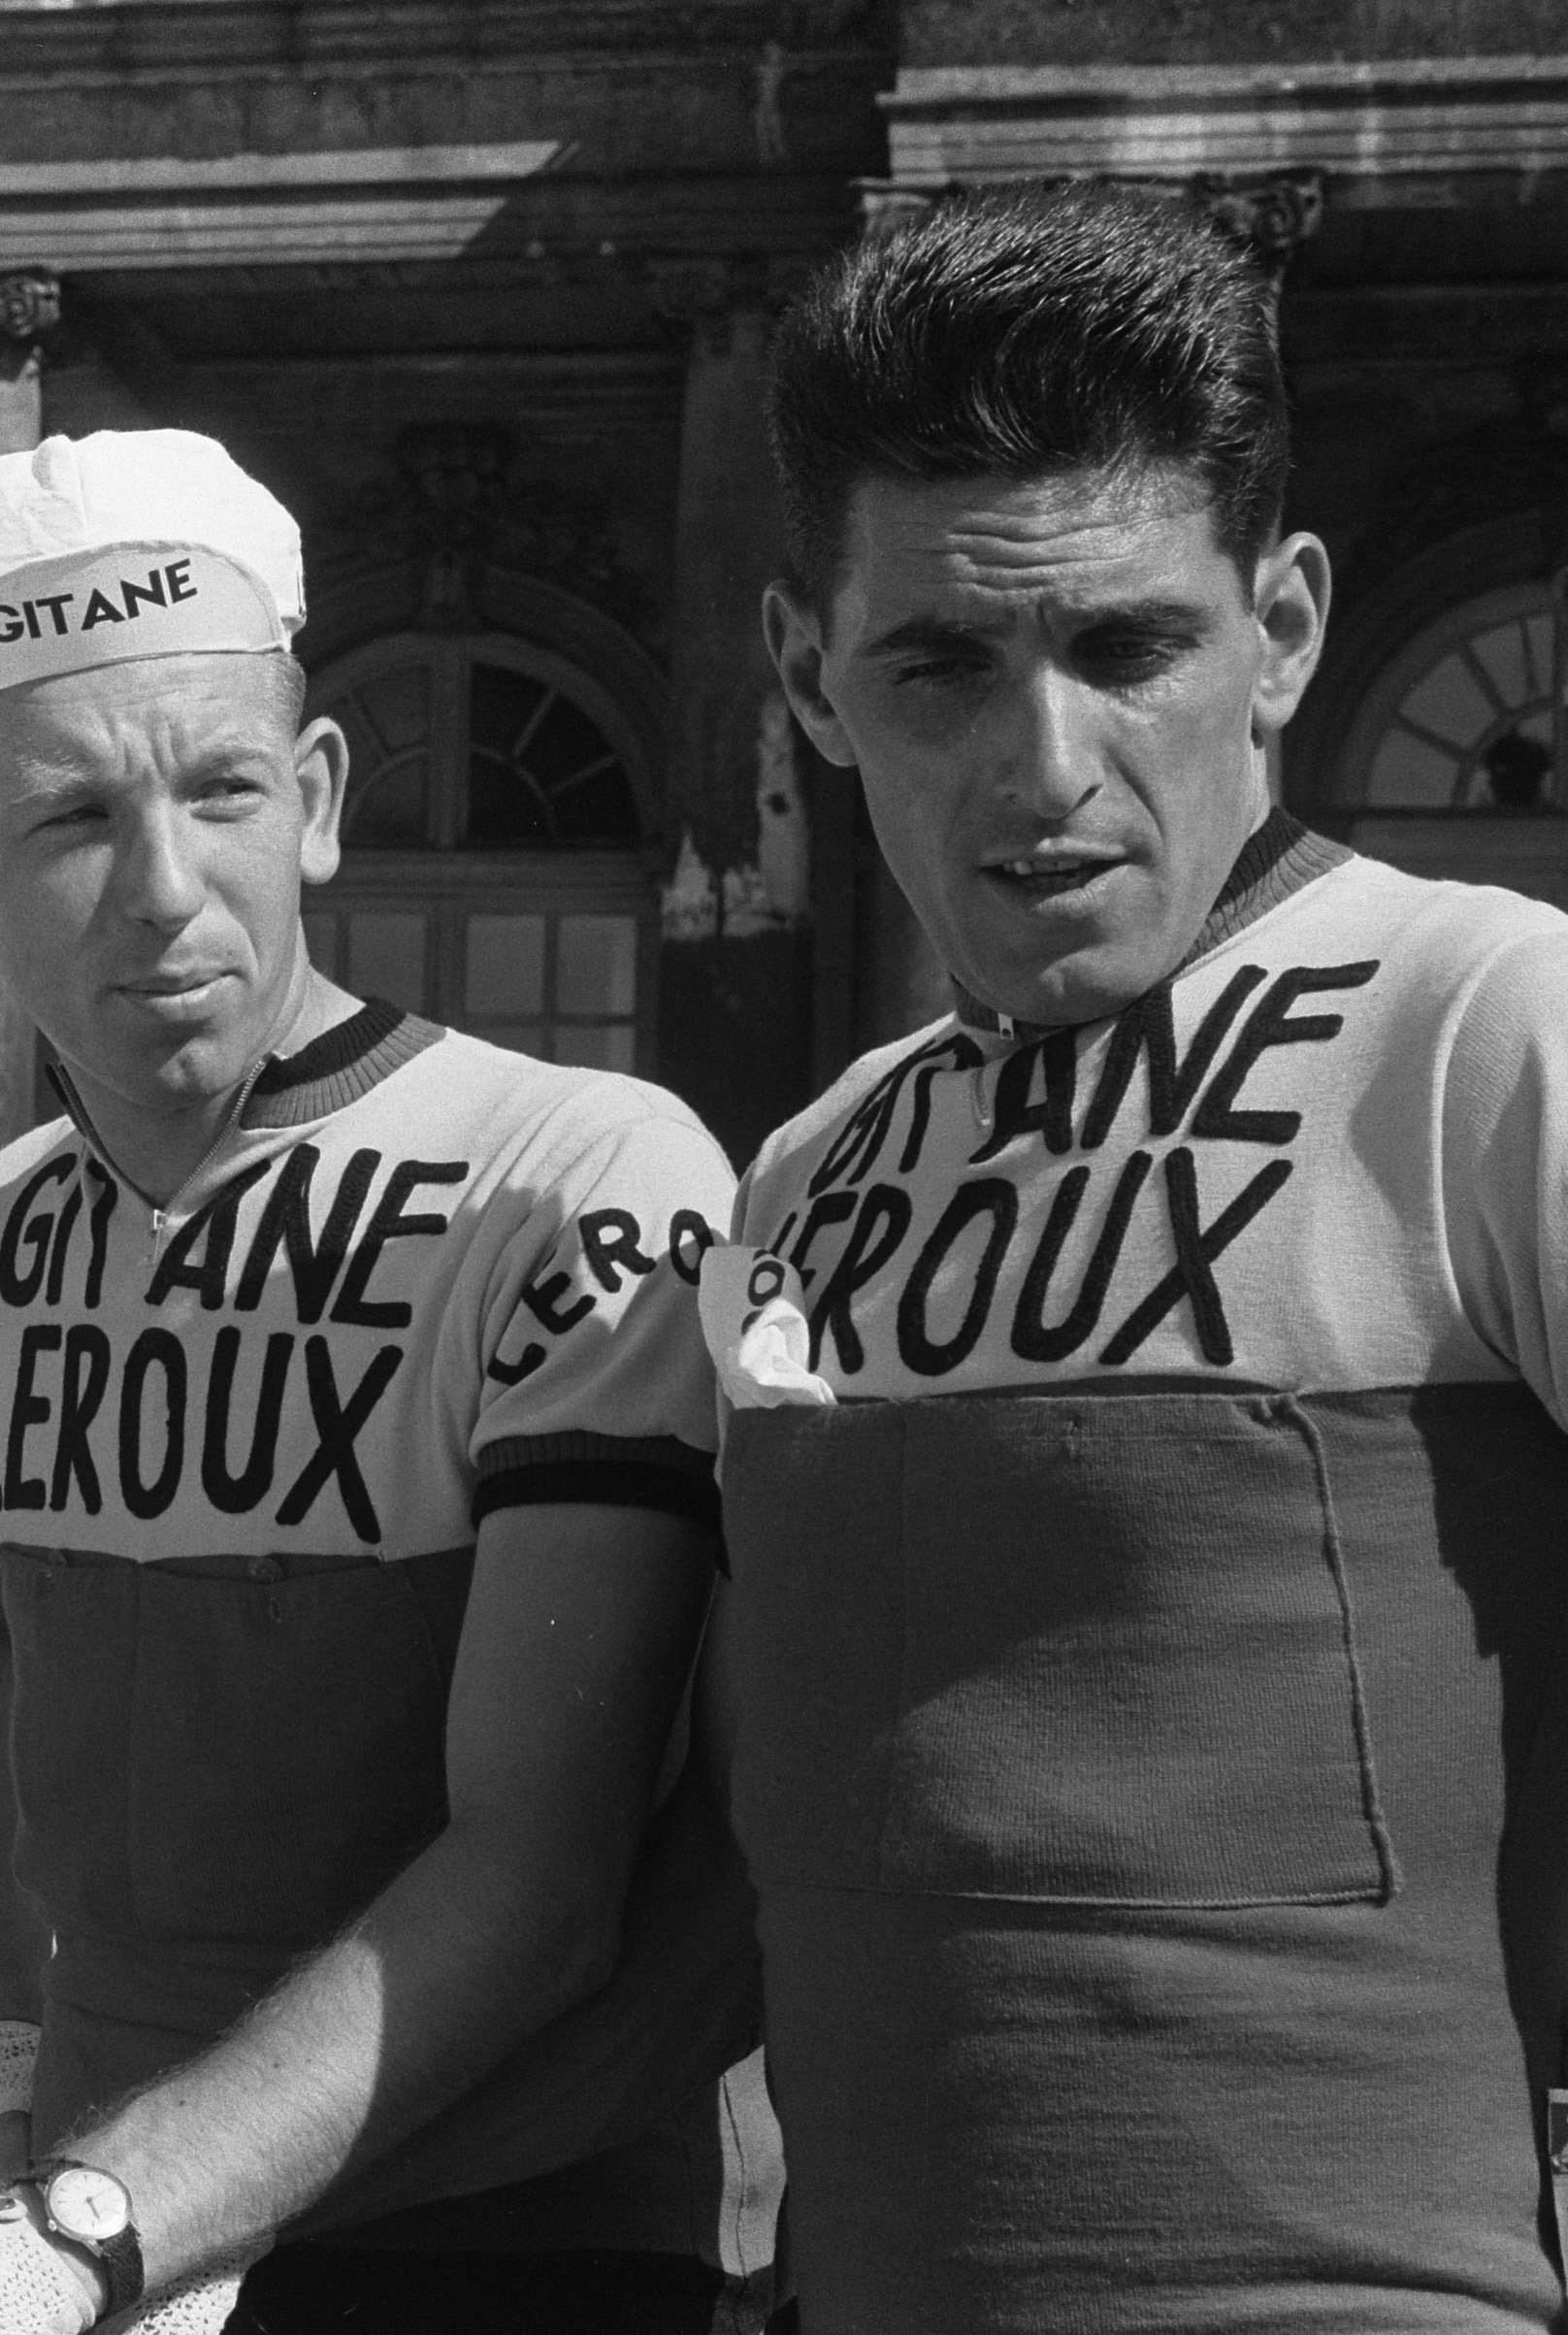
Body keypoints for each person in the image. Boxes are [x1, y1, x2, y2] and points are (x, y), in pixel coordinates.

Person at [0, 429, 758, 2335]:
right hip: (100, 2230)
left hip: (499, 2237)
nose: (167, 889)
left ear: (323, 797)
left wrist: (89, 2225)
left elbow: (545, 1874)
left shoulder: (585, 1176)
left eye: (224, 791)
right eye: (73, 820)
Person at [718, 181, 1568, 2332]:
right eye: (943, 664)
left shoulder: (1490, 1028)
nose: (1044, 765)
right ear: (810, 674)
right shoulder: (810, 1174)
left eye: (1125, 646)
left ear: (1279, 632)